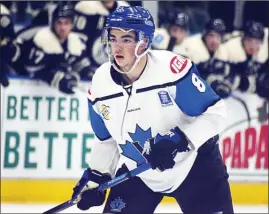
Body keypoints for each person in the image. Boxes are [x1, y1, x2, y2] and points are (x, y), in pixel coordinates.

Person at [71, 6, 234, 214]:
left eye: (126, 39)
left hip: (195, 166)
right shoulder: (100, 84)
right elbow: (106, 139)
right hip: (140, 171)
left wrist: (180, 139)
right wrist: (96, 177)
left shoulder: (172, 71)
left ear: (145, 42)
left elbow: (216, 112)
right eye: (113, 38)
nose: (116, 47)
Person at [21, 3, 93, 94]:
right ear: (53, 23)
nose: (63, 28)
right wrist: (56, 79)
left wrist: (89, 72)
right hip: (30, 91)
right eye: (59, 22)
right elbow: (32, 70)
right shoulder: (42, 39)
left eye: (66, 23)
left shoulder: (75, 41)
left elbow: (79, 64)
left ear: (72, 24)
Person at [182, 18, 236, 99]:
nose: (214, 41)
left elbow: (229, 76)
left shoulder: (223, 50)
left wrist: (226, 84)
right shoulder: (190, 45)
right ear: (205, 34)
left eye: (218, 37)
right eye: (211, 36)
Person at [73, 0, 129, 69]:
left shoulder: (125, 9)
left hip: (114, 63)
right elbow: (77, 38)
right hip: (88, 63)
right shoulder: (86, 7)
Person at [222, 21, 268, 95]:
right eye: (249, 40)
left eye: (257, 42)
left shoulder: (262, 55)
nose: (252, 46)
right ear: (243, 39)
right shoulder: (229, 50)